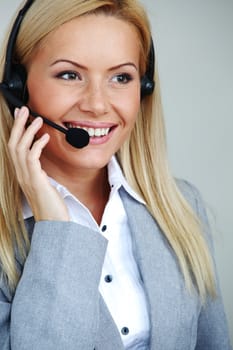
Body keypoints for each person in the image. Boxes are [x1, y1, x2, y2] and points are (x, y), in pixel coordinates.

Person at [0, 0, 231, 349]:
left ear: (144, 88)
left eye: (121, 77)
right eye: (70, 74)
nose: (97, 104)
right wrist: (56, 230)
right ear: (17, 88)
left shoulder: (182, 207)